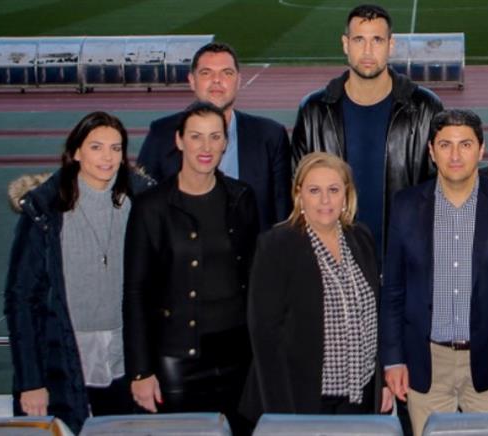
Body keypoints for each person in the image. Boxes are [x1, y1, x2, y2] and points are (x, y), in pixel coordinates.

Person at [380, 110, 488, 436]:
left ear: (481, 150)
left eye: (465, 144)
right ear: (431, 151)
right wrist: (393, 359)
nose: (455, 155)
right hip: (426, 364)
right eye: (445, 145)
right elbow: (394, 290)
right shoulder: (405, 205)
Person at [4, 112, 153, 433]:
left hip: (124, 360)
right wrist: (31, 381)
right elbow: (21, 299)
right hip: (61, 359)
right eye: (96, 147)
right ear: (75, 153)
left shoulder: (142, 204)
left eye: (116, 148)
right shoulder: (44, 211)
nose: (107, 157)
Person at [123, 102, 258, 434]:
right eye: (196, 136)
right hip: (177, 358)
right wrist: (141, 371)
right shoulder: (151, 207)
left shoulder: (241, 197)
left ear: (225, 143)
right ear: (179, 141)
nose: (206, 147)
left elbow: (254, 275)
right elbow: (135, 292)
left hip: (238, 355)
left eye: (215, 137)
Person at [241, 152, 393, 420]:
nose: (325, 200)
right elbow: (265, 336)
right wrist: (283, 417)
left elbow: (373, 319)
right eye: (314, 190)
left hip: (359, 396)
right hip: (302, 401)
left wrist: (381, 383)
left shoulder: (361, 237)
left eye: (333, 190)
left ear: (346, 195)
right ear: (299, 195)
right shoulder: (276, 245)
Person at [291, 3, 443, 250]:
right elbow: (297, 190)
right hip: (333, 257)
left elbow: (442, 187)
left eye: (377, 40)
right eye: (359, 40)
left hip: (404, 256)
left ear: (390, 45)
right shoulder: (314, 111)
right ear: (345, 44)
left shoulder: (425, 108)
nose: (368, 50)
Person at [138, 42, 290, 231]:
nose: (217, 80)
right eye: (206, 73)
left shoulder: (270, 136)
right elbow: (143, 209)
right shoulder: (162, 134)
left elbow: (283, 216)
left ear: (238, 80)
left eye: (227, 73)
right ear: (191, 80)